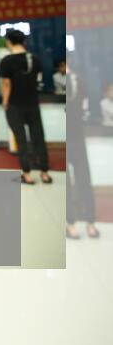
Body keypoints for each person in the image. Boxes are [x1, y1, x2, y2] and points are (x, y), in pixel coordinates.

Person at [0, 29, 51, 185]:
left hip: (15, 105)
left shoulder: (6, 61)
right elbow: (39, 79)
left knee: (21, 140)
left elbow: (6, 84)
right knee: (38, 138)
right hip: (33, 104)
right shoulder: (35, 59)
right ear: (24, 42)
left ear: (9, 42)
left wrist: (5, 102)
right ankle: (45, 173)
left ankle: (27, 174)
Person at [66, 68, 100, 239]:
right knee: (83, 179)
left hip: (73, 136)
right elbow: (85, 109)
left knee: (80, 180)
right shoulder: (80, 80)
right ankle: (86, 223)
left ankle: (76, 223)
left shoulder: (78, 81)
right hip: (76, 136)